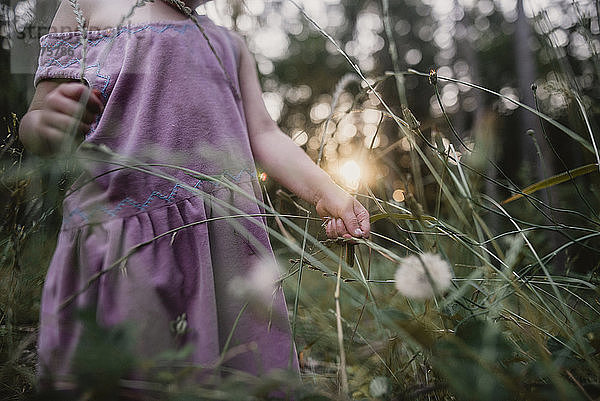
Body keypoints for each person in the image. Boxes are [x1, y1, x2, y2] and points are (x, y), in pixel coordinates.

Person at [18, 0, 370, 394]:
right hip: (128, 245)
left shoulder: (228, 44)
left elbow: (265, 134)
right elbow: (35, 120)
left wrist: (328, 191)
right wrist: (44, 124)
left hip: (225, 242)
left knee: (231, 373)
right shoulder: (88, 8)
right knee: (135, 375)